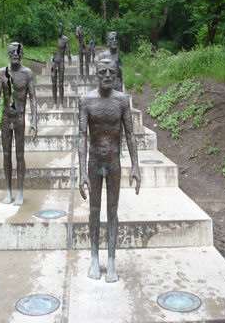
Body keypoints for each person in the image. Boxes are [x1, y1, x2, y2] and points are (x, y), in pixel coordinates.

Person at [78, 59, 141, 282]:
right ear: (96, 74)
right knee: (94, 210)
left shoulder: (122, 101)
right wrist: (82, 171)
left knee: (112, 211)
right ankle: (94, 258)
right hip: (94, 161)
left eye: (111, 72)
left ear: (116, 75)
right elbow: (82, 136)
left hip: (114, 162)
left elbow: (131, 134)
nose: (107, 75)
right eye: (102, 72)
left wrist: (135, 165)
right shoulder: (86, 100)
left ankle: (111, 260)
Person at [0, 42, 37, 206]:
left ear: (22, 54)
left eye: (18, 51)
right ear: (8, 54)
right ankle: (8, 191)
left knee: (20, 156)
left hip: (20, 119)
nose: (15, 54)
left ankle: (20, 191)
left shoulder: (27, 73)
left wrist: (34, 121)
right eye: (12, 51)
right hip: (6, 118)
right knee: (6, 155)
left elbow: (33, 98)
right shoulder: (2, 73)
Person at [51, 23, 71, 109]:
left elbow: (68, 50)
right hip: (54, 61)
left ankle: (61, 103)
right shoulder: (53, 39)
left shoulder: (65, 39)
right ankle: (55, 103)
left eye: (60, 28)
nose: (59, 30)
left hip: (61, 61)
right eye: (58, 28)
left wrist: (69, 58)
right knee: (54, 83)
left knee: (60, 82)